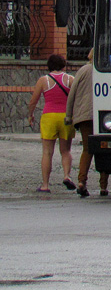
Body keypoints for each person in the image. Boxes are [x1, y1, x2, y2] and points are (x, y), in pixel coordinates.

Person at [26, 54, 75, 193]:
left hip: (49, 117)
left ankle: (45, 185)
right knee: (66, 150)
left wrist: (30, 114)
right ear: (63, 65)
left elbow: (33, 101)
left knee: (47, 152)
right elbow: (76, 97)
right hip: (66, 117)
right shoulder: (70, 79)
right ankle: (67, 176)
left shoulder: (43, 80)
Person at [65, 53, 109, 198]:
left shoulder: (83, 70)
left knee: (87, 149)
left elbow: (72, 94)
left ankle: (81, 181)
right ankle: (103, 186)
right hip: (105, 116)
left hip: (84, 115)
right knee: (104, 149)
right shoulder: (107, 70)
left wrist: (69, 115)